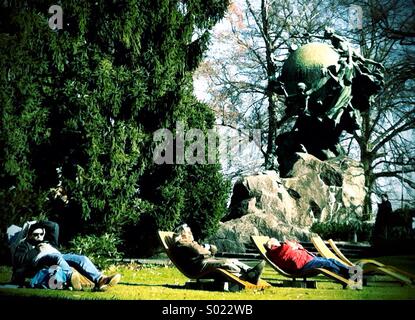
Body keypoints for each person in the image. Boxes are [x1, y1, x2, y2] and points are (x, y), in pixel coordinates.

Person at [12, 220, 121, 291]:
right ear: (30, 235)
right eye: (35, 235)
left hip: (58, 256)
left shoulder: (49, 242)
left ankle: (100, 279)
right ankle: (70, 277)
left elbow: (54, 226)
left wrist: (38, 222)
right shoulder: (25, 244)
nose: (39, 236)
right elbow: (19, 259)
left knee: (81, 258)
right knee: (57, 257)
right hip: (40, 261)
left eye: (41, 234)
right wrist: (36, 249)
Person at [170, 224, 265, 285]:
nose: (191, 234)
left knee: (233, 260)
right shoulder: (183, 243)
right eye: (188, 232)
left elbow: (212, 249)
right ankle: (246, 277)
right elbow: (200, 251)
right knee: (226, 262)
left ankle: (250, 271)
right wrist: (207, 250)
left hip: (204, 261)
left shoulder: (190, 243)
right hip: (198, 266)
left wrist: (206, 249)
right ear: (182, 235)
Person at [264, 237, 353, 279]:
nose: (279, 242)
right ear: (273, 244)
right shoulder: (279, 250)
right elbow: (293, 245)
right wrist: (295, 246)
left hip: (308, 260)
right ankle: (348, 275)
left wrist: (296, 246)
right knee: (328, 263)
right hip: (304, 265)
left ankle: (351, 272)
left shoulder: (279, 250)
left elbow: (297, 246)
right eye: (277, 241)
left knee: (331, 260)